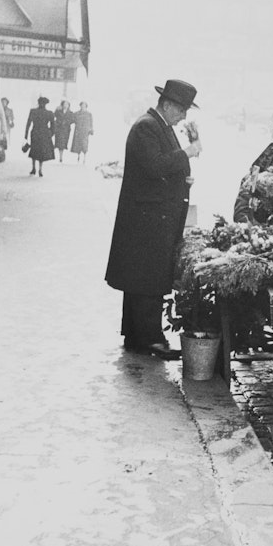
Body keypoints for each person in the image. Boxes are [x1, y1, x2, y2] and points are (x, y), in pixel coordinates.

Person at [105, 79, 201, 359]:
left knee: (140, 278)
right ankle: (151, 338)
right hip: (147, 218)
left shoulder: (158, 126)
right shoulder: (147, 126)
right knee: (148, 277)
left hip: (150, 215)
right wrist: (187, 152)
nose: (184, 116)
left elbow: (162, 167)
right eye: (182, 110)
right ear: (169, 105)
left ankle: (136, 335)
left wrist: (182, 179)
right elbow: (154, 166)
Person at [25, 97, 55, 177]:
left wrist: (26, 135)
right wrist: (51, 134)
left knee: (34, 150)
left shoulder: (33, 111)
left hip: (35, 132)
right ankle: (40, 169)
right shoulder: (49, 113)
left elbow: (28, 123)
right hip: (44, 133)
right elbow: (53, 126)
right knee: (42, 152)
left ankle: (33, 168)